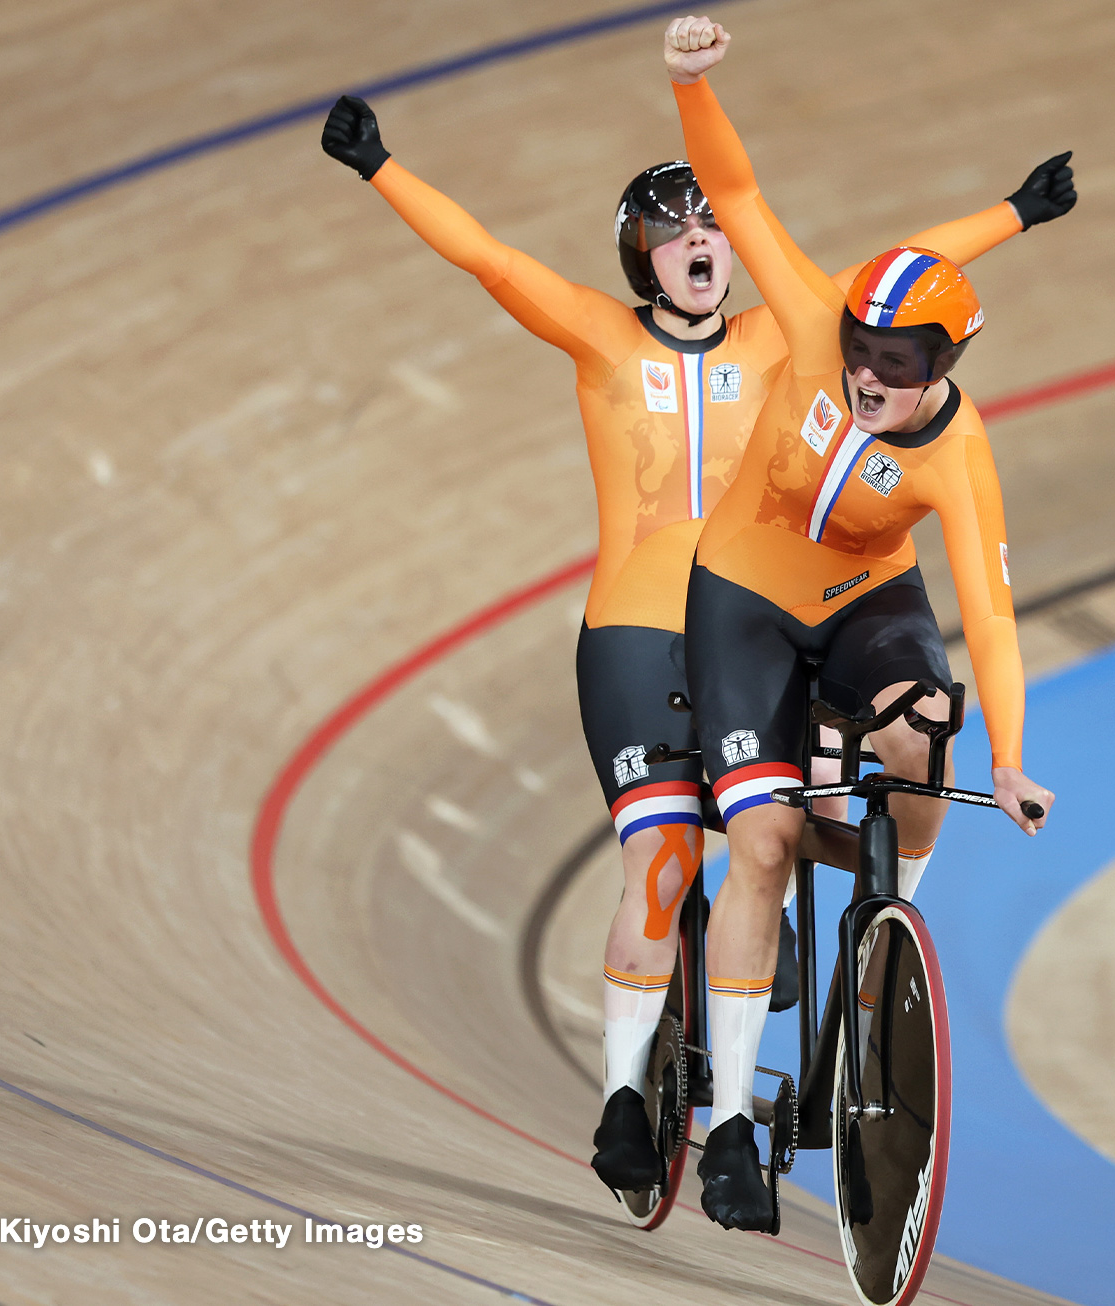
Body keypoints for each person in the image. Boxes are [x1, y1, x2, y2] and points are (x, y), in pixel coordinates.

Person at [318, 95, 1075, 1197]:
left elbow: (886, 274)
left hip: (765, 606)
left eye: (703, 228)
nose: (697, 245)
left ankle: (789, 949)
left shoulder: (787, 336)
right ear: (643, 263)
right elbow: (486, 257)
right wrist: (379, 165)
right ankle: (627, 1096)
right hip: (642, 626)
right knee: (665, 858)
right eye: (671, 236)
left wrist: (1013, 213)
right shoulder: (596, 335)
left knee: (800, 821)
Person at [660, 15, 1065, 1231]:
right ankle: (731, 1119)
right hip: (740, 594)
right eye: (859, 345)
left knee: (922, 732)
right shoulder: (809, 312)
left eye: (896, 356)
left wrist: (1006, 755)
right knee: (769, 843)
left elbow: (988, 613)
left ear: (945, 363)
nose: (867, 369)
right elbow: (735, 189)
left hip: (860, 599)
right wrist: (688, 87)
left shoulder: (960, 456)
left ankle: (888, 925)